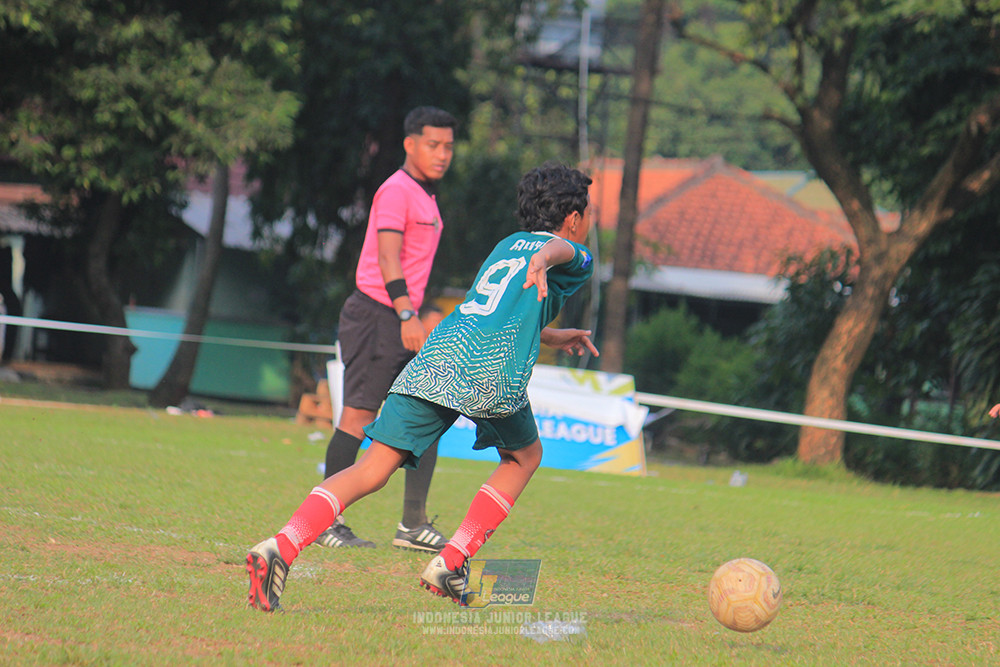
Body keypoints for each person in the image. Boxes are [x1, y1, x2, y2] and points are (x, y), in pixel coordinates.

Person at [246, 162, 598, 612]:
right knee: (525, 456)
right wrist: (547, 257)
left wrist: (550, 334)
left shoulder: (505, 246)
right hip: (489, 370)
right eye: (587, 216)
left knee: (373, 469)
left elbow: (492, 311)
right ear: (573, 218)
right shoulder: (569, 252)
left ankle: (280, 546)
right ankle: (451, 561)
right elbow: (556, 253)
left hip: (438, 356)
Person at [316, 106, 456, 553]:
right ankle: (323, 522)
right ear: (409, 144)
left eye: (448, 146)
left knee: (428, 412)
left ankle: (413, 525)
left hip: (402, 316)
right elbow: (387, 258)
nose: (442, 154)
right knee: (357, 418)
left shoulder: (426, 195)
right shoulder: (396, 191)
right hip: (379, 316)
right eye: (432, 145)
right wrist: (405, 313)